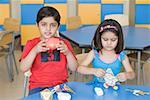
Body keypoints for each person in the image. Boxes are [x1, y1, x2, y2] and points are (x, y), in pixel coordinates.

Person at [20, 6, 78, 95]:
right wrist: (35, 50)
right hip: (38, 87)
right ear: (37, 25)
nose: (48, 29)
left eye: (53, 25)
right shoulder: (32, 44)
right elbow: (23, 68)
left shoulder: (64, 44)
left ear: (58, 26)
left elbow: (74, 68)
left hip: (61, 86)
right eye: (44, 24)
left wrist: (68, 53)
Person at [77, 19, 135, 84]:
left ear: (119, 39)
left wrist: (126, 75)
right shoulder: (94, 53)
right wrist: (93, 71)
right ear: (99, 38)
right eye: (105, 39)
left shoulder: (121, 56)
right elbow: (80, 68)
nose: (109, 43)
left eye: (113, 40)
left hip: (115, 89)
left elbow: (132, 74)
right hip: (97, 88)